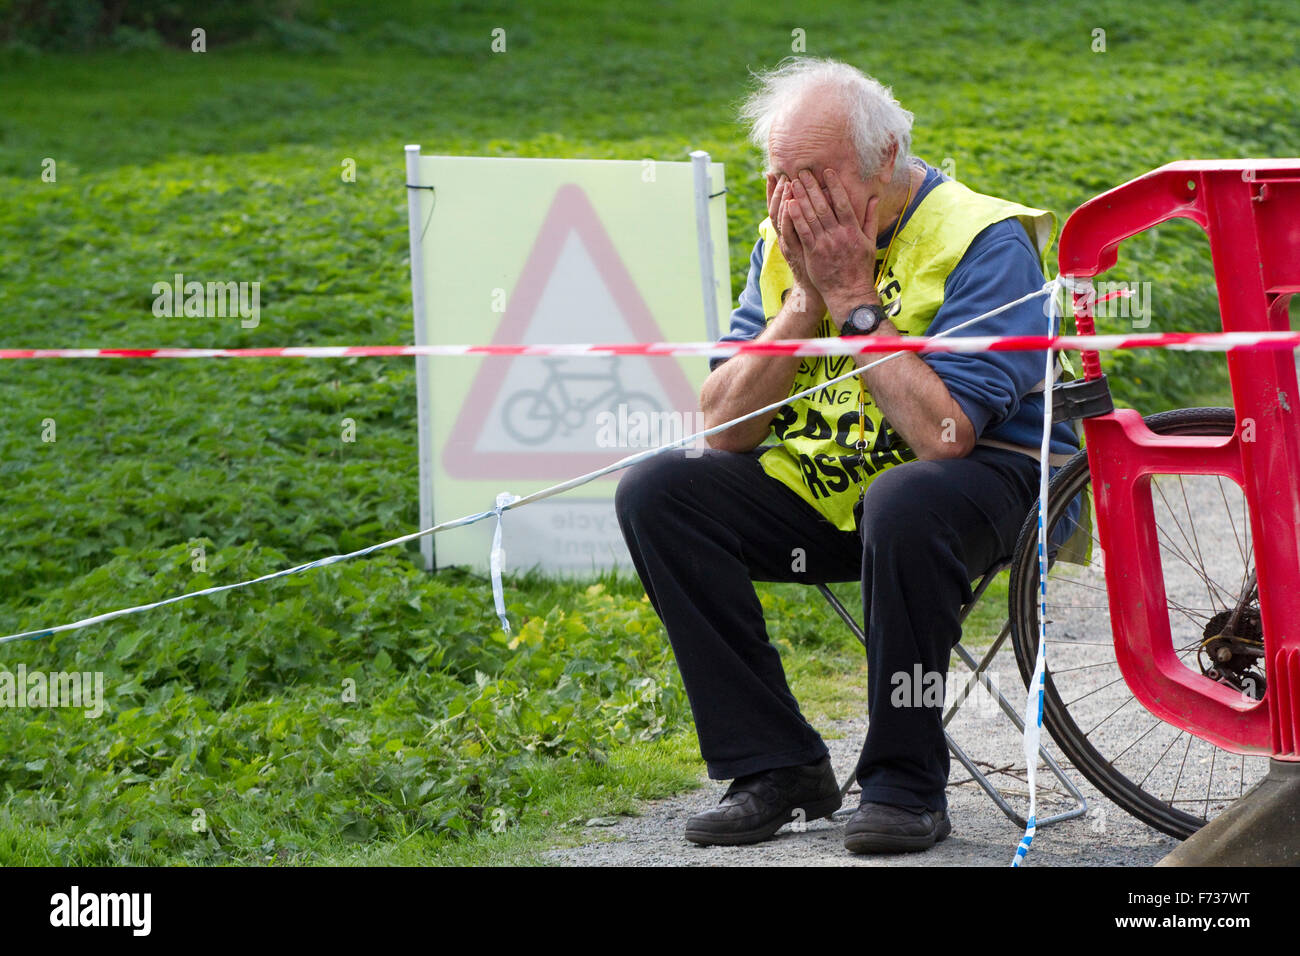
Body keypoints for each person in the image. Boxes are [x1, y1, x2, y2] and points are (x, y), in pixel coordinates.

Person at [614, 57, 1078, 854]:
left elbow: (944, 434)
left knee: (906, 497)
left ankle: (905, 783)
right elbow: (725, 428)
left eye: (818, 177)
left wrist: (858, 302)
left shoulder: (984, 238)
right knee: (659, 490)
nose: (795, 202)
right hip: (836, 485)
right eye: (779, 178)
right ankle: (778, 767)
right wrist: (801, 301)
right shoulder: (784, 238)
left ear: (887, 157)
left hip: (994, 483)